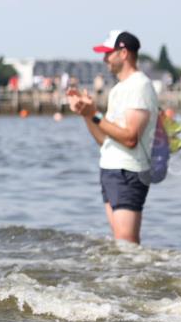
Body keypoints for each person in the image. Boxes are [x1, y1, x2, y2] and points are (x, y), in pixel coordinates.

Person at [67, 30, 159, 244]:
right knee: (121, 243)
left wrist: (95, 114)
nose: (104, 58)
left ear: (123, 53)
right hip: (111, 169)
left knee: (127, 243)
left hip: (128, 171)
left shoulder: (139, 85)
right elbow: (104, 139)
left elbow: (130, 138)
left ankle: (140, 277)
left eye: (108, 53)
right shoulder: (120, 89)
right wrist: (86, 114)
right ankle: (127, 278)